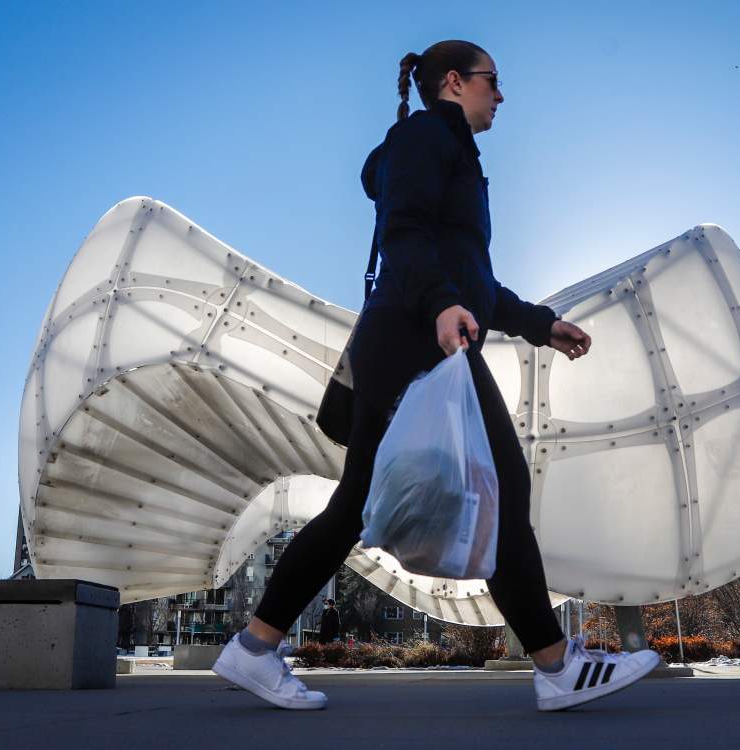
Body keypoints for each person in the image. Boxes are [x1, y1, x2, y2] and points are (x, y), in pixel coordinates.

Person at [212, 39, 660, 712]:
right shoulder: (428, 137)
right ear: (454, 81)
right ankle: (556, 665)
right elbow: (405, 231)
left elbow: (475, 279)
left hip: (419, 333)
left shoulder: (446, 151)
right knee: (495, 488)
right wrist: (442, 304)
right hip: (417, 337)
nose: (500, 95)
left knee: (359, 503)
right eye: (491, 81)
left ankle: (252, 648)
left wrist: (540, 324)